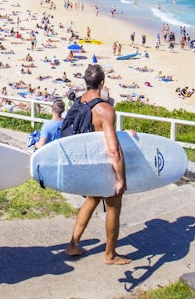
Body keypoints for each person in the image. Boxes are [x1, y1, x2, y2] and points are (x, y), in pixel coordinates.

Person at [66, 65, 130, 265]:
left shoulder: (78, 102)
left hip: (86, 163)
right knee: (114, 206)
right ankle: (110, 255)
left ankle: (73, 245)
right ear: (102, 83)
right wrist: (120, 179)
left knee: (92, 199)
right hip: (103, 165)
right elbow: (113, 149)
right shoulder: (104, 109)